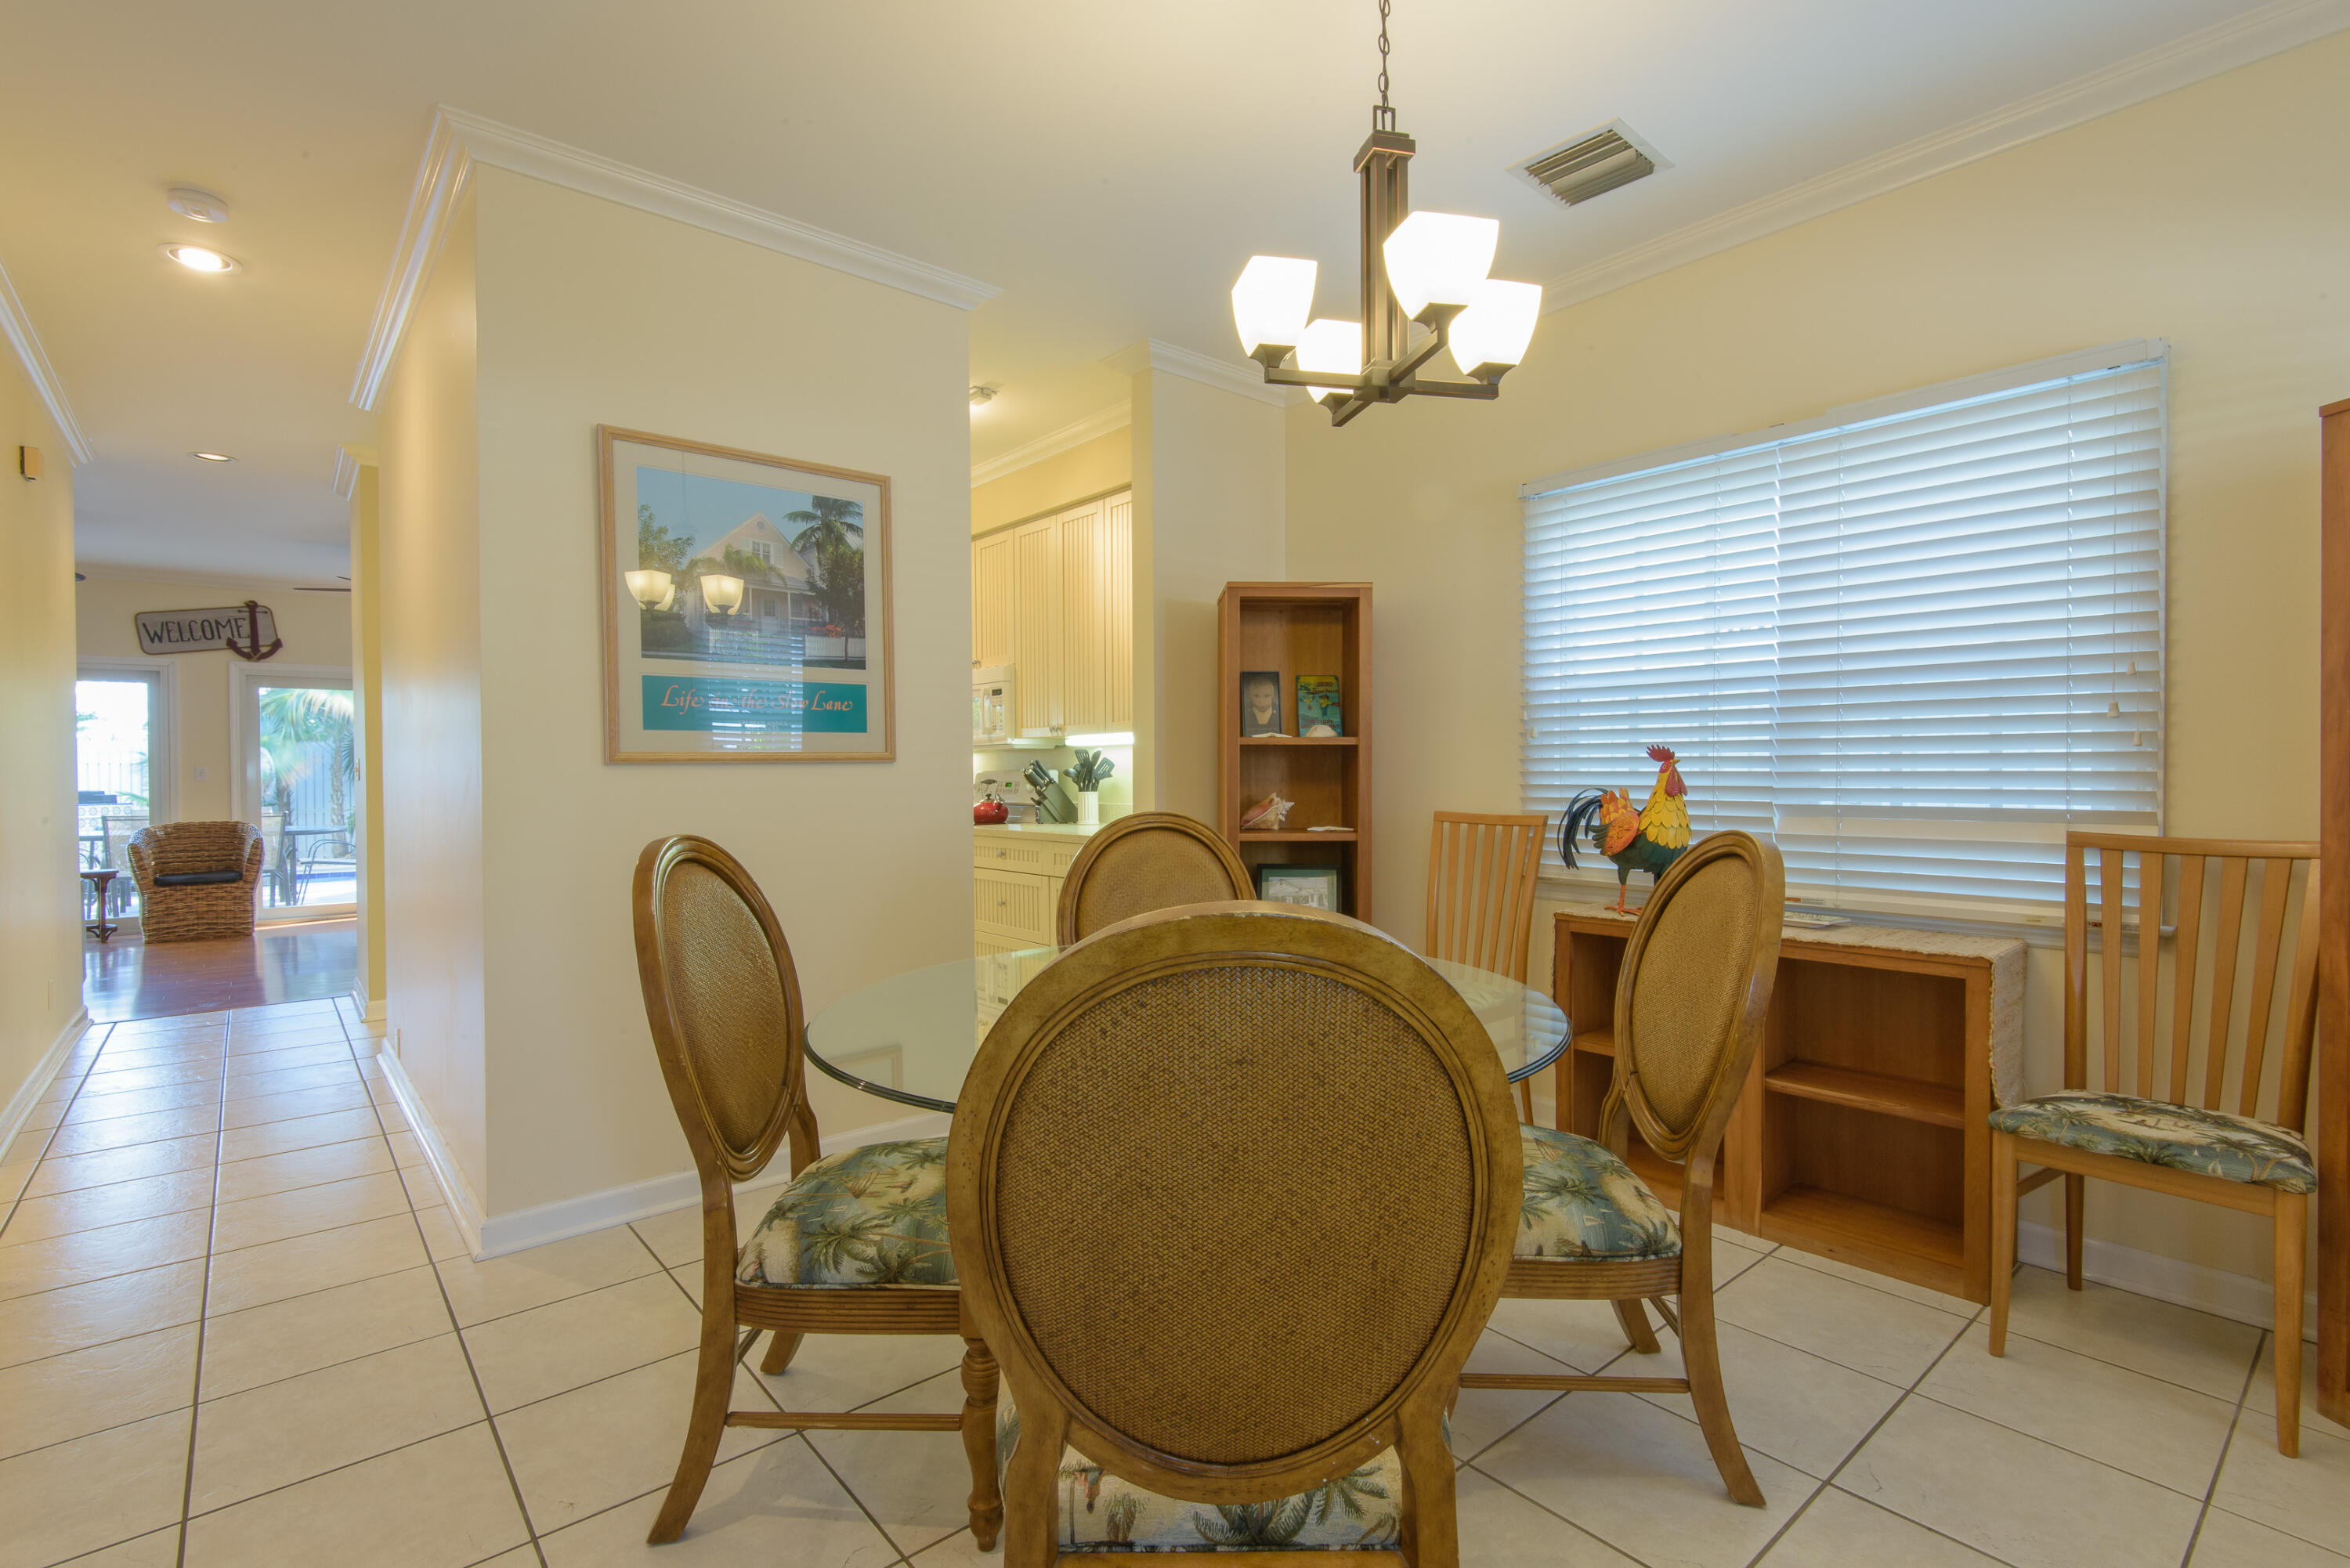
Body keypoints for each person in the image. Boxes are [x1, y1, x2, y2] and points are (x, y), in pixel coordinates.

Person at [1242, 672, 1283, 736]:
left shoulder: (1279, 712)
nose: (1262, 701)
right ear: (1251, 696)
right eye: (1256, 696)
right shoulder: (1245, 711)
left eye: (1266, 696)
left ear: (1272, 695)